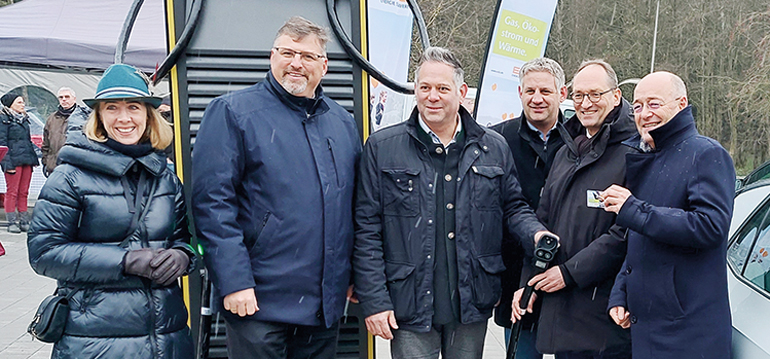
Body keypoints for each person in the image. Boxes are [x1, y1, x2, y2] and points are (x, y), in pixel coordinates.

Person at [353, 46, 552, 359]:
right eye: (425, 87)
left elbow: (513, 207)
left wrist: (536, 234)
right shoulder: (382, 147)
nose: (433, 96)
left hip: (471, 300)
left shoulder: (493, 147)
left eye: (442, 88)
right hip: (409, 302)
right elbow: (366, 228)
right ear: (415, 89)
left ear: (461, 92)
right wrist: (375, 300)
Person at [191, 16, 361, 359]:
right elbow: (212, 205)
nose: (296, 63)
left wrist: (355, 272)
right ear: (272, 57)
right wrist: (234, 280)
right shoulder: (232, 113)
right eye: (288, 52)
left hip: (324, 306)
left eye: (308, 56)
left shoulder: (342, 123)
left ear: (324, 66)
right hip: (257, 302)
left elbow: (354, 206)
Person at [27, 63, 196, 359]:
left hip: (166, 337)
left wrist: (185, 256)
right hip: (94, 340)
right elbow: (44, 253)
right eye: (112, 108)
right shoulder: (69, 177)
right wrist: (125, 261)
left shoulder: (166, 177)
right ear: (99, 117)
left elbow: (193, 241)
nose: (124, 118)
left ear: (148, 114)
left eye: (133, 107)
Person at [602, 71, 734, 359]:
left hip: (687, 335)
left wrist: (632, 209)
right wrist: (621, 292)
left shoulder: (706, 154)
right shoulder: (650, 156)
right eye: (637, 106)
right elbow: (643, 238)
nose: (644, 114)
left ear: (681, 103)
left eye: (654, 104)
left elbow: (710, 227)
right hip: (648, 327)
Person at [512, 60, 634, 359]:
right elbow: (544, 223)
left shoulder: (635, 152)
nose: (585, 103)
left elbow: (625, 233)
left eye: (595, 94)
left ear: (616, 96)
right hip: (564, 313)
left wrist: (569, 274)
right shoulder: (568, 151)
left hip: (605, 316)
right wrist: (528, 283)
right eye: (579, 95)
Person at [491, 57, 569, 359]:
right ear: (520, 92)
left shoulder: (580, 138)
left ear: (561, 94)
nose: (537, 99)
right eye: (530, 91)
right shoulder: (497, 140)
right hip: (514, 275)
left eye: (546, 92)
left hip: (569, 274)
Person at [0, 93, 40, 233]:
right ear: (10, 104)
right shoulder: (3, 119)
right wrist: (7, 164)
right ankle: (12, 222)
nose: (22, 104)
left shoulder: (24, 119)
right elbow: (2, 143)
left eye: (22, 102)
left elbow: (28, 141)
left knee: (24, 192)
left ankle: (24, 220)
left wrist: (34, 158)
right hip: (13, 160)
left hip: (26, 160)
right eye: (19, 102)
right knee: (12, 192)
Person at [42, 87, 86, 177]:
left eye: (67, 97)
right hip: (54, 167)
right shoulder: (52, 119)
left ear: (74, 99)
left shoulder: (83, 117)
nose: (64, 99)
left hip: (76, 168)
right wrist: (45, 162)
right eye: (61, 97)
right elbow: (46, 143)